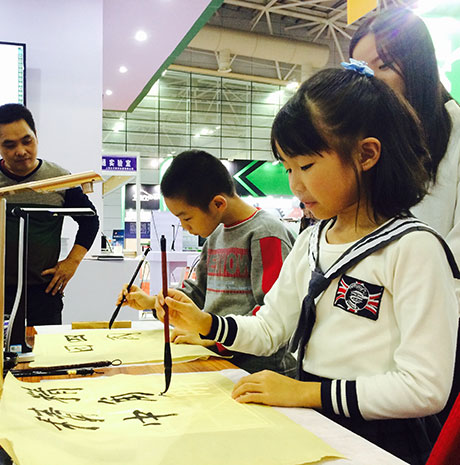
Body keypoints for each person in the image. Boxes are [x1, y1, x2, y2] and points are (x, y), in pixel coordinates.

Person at [155, 66, 459, 464]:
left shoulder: (413, 248)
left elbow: (424, 388)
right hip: (314, 420)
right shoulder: (312, 241)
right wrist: (206, 324)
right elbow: (270, 328)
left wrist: (305, 392)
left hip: (381, 438)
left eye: (306, 166)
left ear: (367, 154)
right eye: (287, 167)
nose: (295, 184)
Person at [350, 6, 460, 425]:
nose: (372, 80)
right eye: (361, 69)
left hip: (436, 327)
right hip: (370, 324)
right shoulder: (373, 144)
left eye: (383, 66)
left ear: (416, 65)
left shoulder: (455, 130)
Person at [117, 150, 297, 376]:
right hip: (217, 360)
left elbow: (273, 314)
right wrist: (153, 302)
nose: (184, 227)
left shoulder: (266, 234)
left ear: (218, 203)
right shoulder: (216, 236)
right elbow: (198, 291)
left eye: (186, 218)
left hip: (260, 371)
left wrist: (211, 338)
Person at [0, 103, 99, 327]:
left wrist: (72, 262)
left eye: (27, 141)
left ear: (36, 136)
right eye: (9, 145)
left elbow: (90, 220)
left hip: (42, 294)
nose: (21, 151)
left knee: (42, 349)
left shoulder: (60, 179)